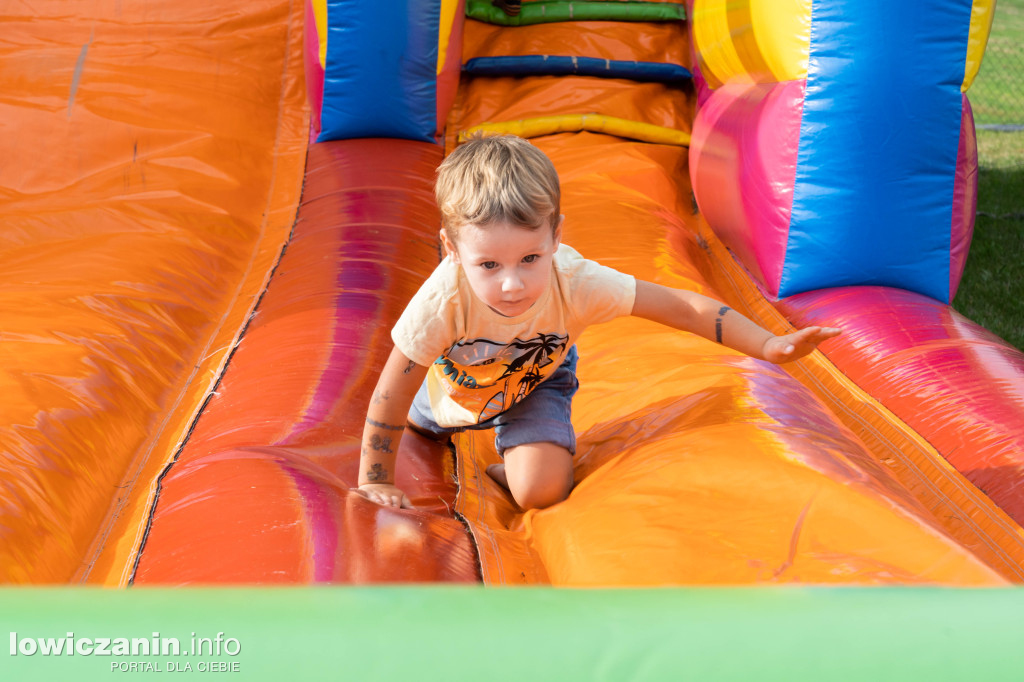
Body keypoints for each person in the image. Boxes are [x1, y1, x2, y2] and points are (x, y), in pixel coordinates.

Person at [354, 135, 840, 511]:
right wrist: (376, 478)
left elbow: (679, 306)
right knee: (421, 424)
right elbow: (391, 390)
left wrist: (769, 345)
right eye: (489, 265)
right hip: (454, 378)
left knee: (541, 493)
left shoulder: (576, 280)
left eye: (529, 258)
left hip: (535, 377)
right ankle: (466, 425)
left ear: (556, 237)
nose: (512, 284)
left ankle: (516, 461)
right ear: (452, 250)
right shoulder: (442, 300)